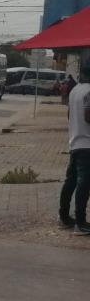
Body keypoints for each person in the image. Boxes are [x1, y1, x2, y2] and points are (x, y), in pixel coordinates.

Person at [58, 66, 90, 234]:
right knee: (84, 184)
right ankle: (80, 222)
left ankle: (64, 217)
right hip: (87, 145)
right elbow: (88, 116)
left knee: (71, 181)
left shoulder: (75, 90)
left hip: (75, 142)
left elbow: (70, 115)